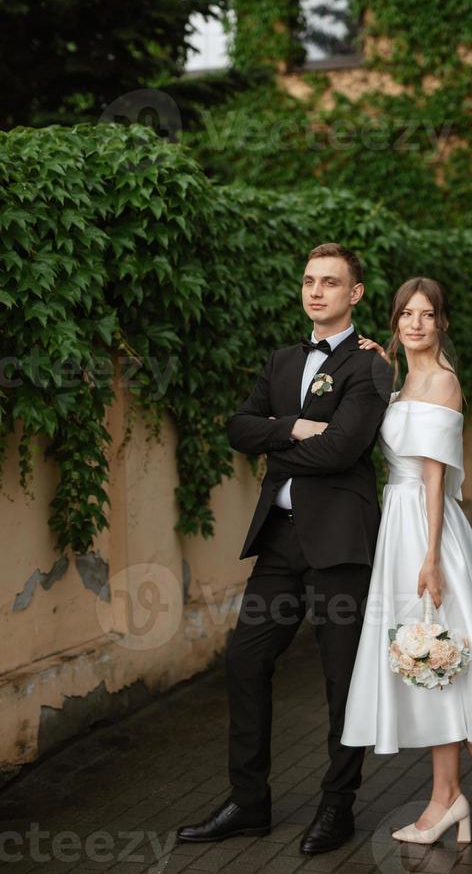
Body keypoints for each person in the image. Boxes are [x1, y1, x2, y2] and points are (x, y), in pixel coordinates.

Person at [176, 243, 393, 856]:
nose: (315, 291)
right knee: (244, 661)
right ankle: (248, 803)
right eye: (308, 281)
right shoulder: (279, 360)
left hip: (339, 545)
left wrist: (273, 443)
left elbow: (344, 451)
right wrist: (292, 427)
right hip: (280, 540)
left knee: (341, 679)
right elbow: (238, 427)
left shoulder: (370, 366)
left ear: (355, 294)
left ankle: (337, 806)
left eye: (330, 282)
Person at [341, 276, 472, 851]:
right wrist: (385, 370)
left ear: (442, 323)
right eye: (406, 313)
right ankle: (454, 796)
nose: (415, 324)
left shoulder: (442, 383)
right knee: (428, 660)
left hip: (425, 529)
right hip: (402, 525)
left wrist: (430, 557)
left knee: (436, 655)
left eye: (427, 315)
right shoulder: (406, 381)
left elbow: (432, 477)